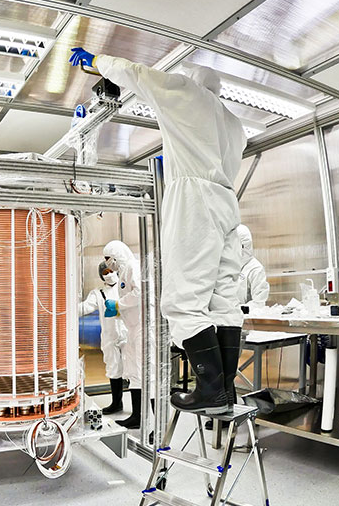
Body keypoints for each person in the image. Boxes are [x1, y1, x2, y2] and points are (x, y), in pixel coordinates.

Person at [70, 47, 246, 414]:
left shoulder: (188, 94)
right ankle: (225, 390)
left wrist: (97, 62)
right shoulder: (234, 124)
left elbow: (137, 73)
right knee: (223, 299)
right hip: (227, 202)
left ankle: (211, 391)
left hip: (194, 198)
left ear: (194, 83)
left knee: (182, 300)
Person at [101, 240, 146, 428]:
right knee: (133, 372)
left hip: (143, 329)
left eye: (108, 259)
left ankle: (149, 421)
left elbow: (140, 292)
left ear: (117, 254)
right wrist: (119, 312)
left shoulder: (132, 266)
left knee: (144, 372)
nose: (108, 264)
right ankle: (137, 416)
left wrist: (119, 305)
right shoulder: (123, 273)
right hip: (133, 329)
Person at [79, 261, 128, 414]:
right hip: (110, 336)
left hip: (129, 336)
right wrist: (65, 307)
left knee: (133, 370)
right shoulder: (98, 293)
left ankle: (138, 409)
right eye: (105, 273)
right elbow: (86, 307)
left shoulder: (126, 287)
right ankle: (116, 403)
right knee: (113, 369)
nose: (109, 274)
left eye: (111, 271)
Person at [236, 224, 270, 311]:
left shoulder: (255, 269)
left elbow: (259, 303)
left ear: (243, 246)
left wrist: (236, 310)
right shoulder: (227, 266)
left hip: (245, 320)